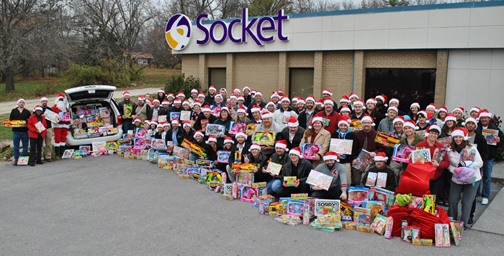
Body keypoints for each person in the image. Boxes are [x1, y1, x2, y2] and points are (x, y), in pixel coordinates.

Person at [447, 128, 483, 230]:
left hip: (472, 179)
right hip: (457, 178)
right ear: (453, 138)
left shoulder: (471, 148)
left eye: (460, 137)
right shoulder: (450, 150)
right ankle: (452, 221)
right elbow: (449, 165)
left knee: (466, 202)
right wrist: (455, 170)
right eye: (456, 137)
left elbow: (480, 163)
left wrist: (467, 164)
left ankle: (463, 224)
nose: (458, 139)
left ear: (464, 138)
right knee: (453, 200)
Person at [414, 125, 450, 204]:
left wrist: (438, 165)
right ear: (428, 133)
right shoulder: (420, 145)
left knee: (430, 201)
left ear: (438, 135)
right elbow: (411, 160)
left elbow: (447, 162)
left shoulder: (441, 147)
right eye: (432, 133)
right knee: (419, 198)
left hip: (435, 177)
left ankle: (428, 214)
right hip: (421, 177)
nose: (433, 135)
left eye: (435, 134)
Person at [475, 109, 503, 205]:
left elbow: (501, 143)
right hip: (478, 155)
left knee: (487, 177)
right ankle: (476, 194)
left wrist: (498, 141)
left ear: (489, 118)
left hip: (489, 156)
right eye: (482, 118)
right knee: (477, 176)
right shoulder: (476, 128)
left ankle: (485, 196)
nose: (484, 119)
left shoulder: (495, 129)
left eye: (486, 118)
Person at [465, 116, 488, 224]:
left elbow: (484, 154)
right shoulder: (461, 137)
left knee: (471, 196)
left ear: (475, 125)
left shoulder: (479, 138)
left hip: (473, 171)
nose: (470, 125)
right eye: (468, 123)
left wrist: (473, 163)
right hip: (460, 170)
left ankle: (470, 215)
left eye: (472, 124)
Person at [352, 115, 384, 186]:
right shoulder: (357, 134)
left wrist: (375, 152)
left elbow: (381, 148)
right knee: (356, 180)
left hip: (371, 160)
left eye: (368, 123)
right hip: (359, 160)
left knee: (365, 179)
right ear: (362, 124)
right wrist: (354, 159)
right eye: (364, 123)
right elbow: (354, 148)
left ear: (371, 124)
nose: (366, 124)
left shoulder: (377, 135)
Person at [331, 116, 357, 187]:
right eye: (341, 125)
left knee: (347, 176)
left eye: (345, 125)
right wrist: (337, 155)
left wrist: (348, 156)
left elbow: (354, 147)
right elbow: (332, 147)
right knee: (335, 176)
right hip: (336, 160)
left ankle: (346, 189)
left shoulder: (352, 134)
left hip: (347, 160)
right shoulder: (334, 134)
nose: (343, 127)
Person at [51, 94, 71, 159]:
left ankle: (62, 152)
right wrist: (56, 120)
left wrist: (68, 121)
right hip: (57, 126)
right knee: (57, 138)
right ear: (57, 100)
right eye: (60, 99)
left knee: (63, 138)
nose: (61, 101)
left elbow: (69, 116)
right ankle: (57, 153)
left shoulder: (65, 108)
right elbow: (51, 117)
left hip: (64, 125)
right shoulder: (54, 108)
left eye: (62, 99)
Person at [40, 97, 53, 162]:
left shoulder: (49, 109)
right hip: (41, 128)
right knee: (41, 143)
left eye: (46, 101)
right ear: (41, 102)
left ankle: (48, 156)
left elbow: (53, 118)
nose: (44, 102)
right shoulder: (38, 109)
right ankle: (41, 157)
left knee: (48, 143)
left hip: (48, 127)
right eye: (43, 101)